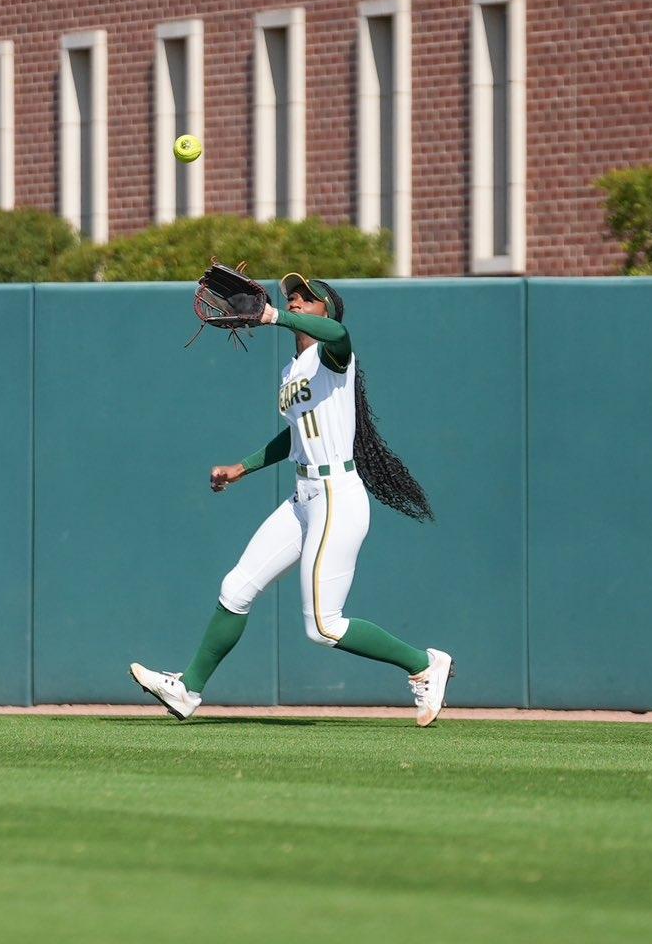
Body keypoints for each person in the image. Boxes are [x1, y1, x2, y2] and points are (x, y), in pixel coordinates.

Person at [130, 273, 454, 726]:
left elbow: (341, 334)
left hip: (336, 496)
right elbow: (297, 437)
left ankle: (424, 663)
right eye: (292, 297)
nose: (297, 301)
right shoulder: (292, 371)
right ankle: (188, 690)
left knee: (324, 626)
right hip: (303, 498)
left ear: (326, 309)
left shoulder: (334, 356)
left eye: (307, 298)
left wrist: (272, 314)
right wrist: (243, 467)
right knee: (236, 588)